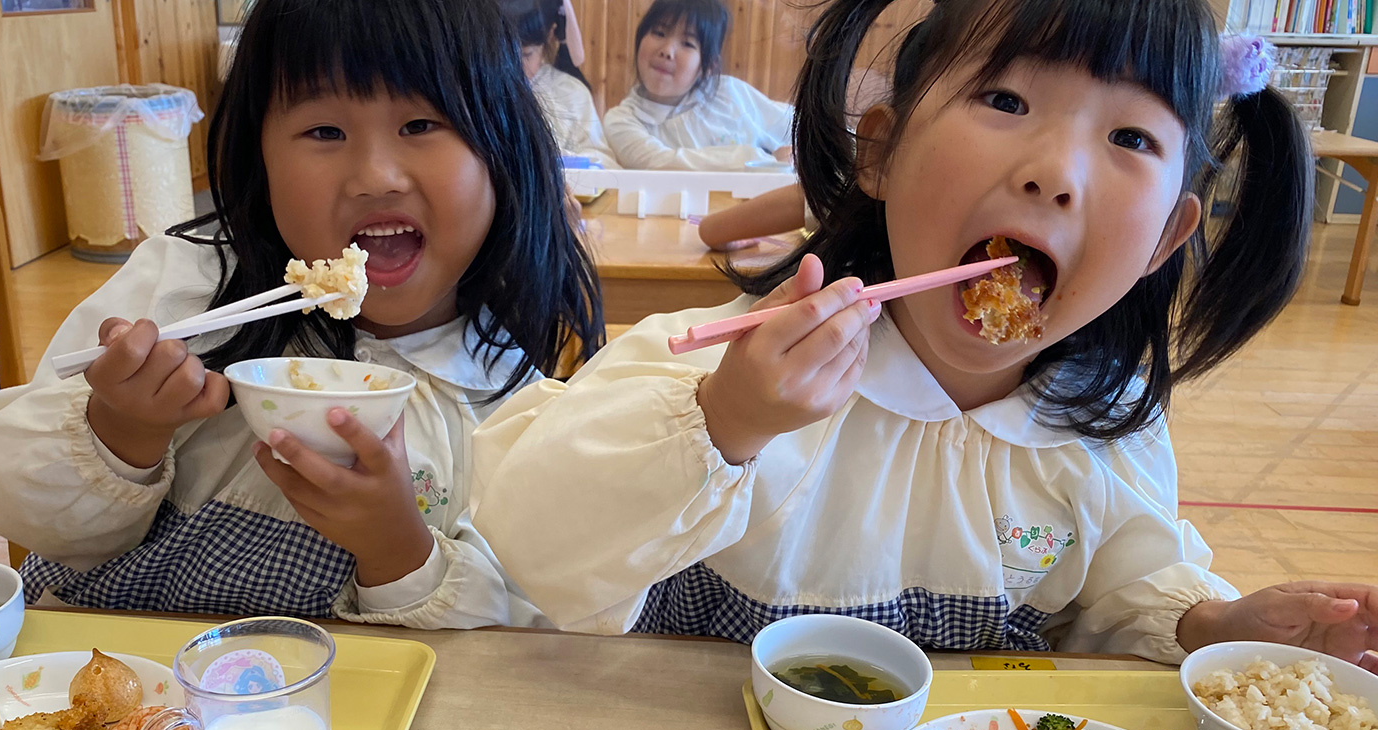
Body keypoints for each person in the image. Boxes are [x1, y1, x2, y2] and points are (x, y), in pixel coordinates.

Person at [473, 1, 1378, 666]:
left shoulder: (1104, 429)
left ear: (1164, 242)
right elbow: (530, 544)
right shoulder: (732, 363)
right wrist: (726, 424)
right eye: (1009, 102)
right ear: (880, 152)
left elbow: (1117, 596)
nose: (1056, 175)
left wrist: (1214, 629)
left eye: (1131, 138)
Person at [0, 0, 602, 628]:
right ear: (259, 159)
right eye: (325, 132)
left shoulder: (513, 397)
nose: (376, 176)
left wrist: (396, 552)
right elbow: (25, 514)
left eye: (421, 125)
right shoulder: (185, 292)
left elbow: (525, 640)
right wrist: (121, 433)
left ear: (503, 150)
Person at [602, 0, 795, 170]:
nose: (667, 51)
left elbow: (793, 123)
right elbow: (659, 163)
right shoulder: (621, 120)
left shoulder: (729, 93)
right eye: (659, 33)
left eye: (687, 43)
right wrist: (763, 160)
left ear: (708, 66)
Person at [503, 0, 617, 168]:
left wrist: (569, 160)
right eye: (502, 51)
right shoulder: (474, 88)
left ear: (550, 35)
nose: (513, 65)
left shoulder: (571, 92)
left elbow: (605, 163)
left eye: (526, 54)